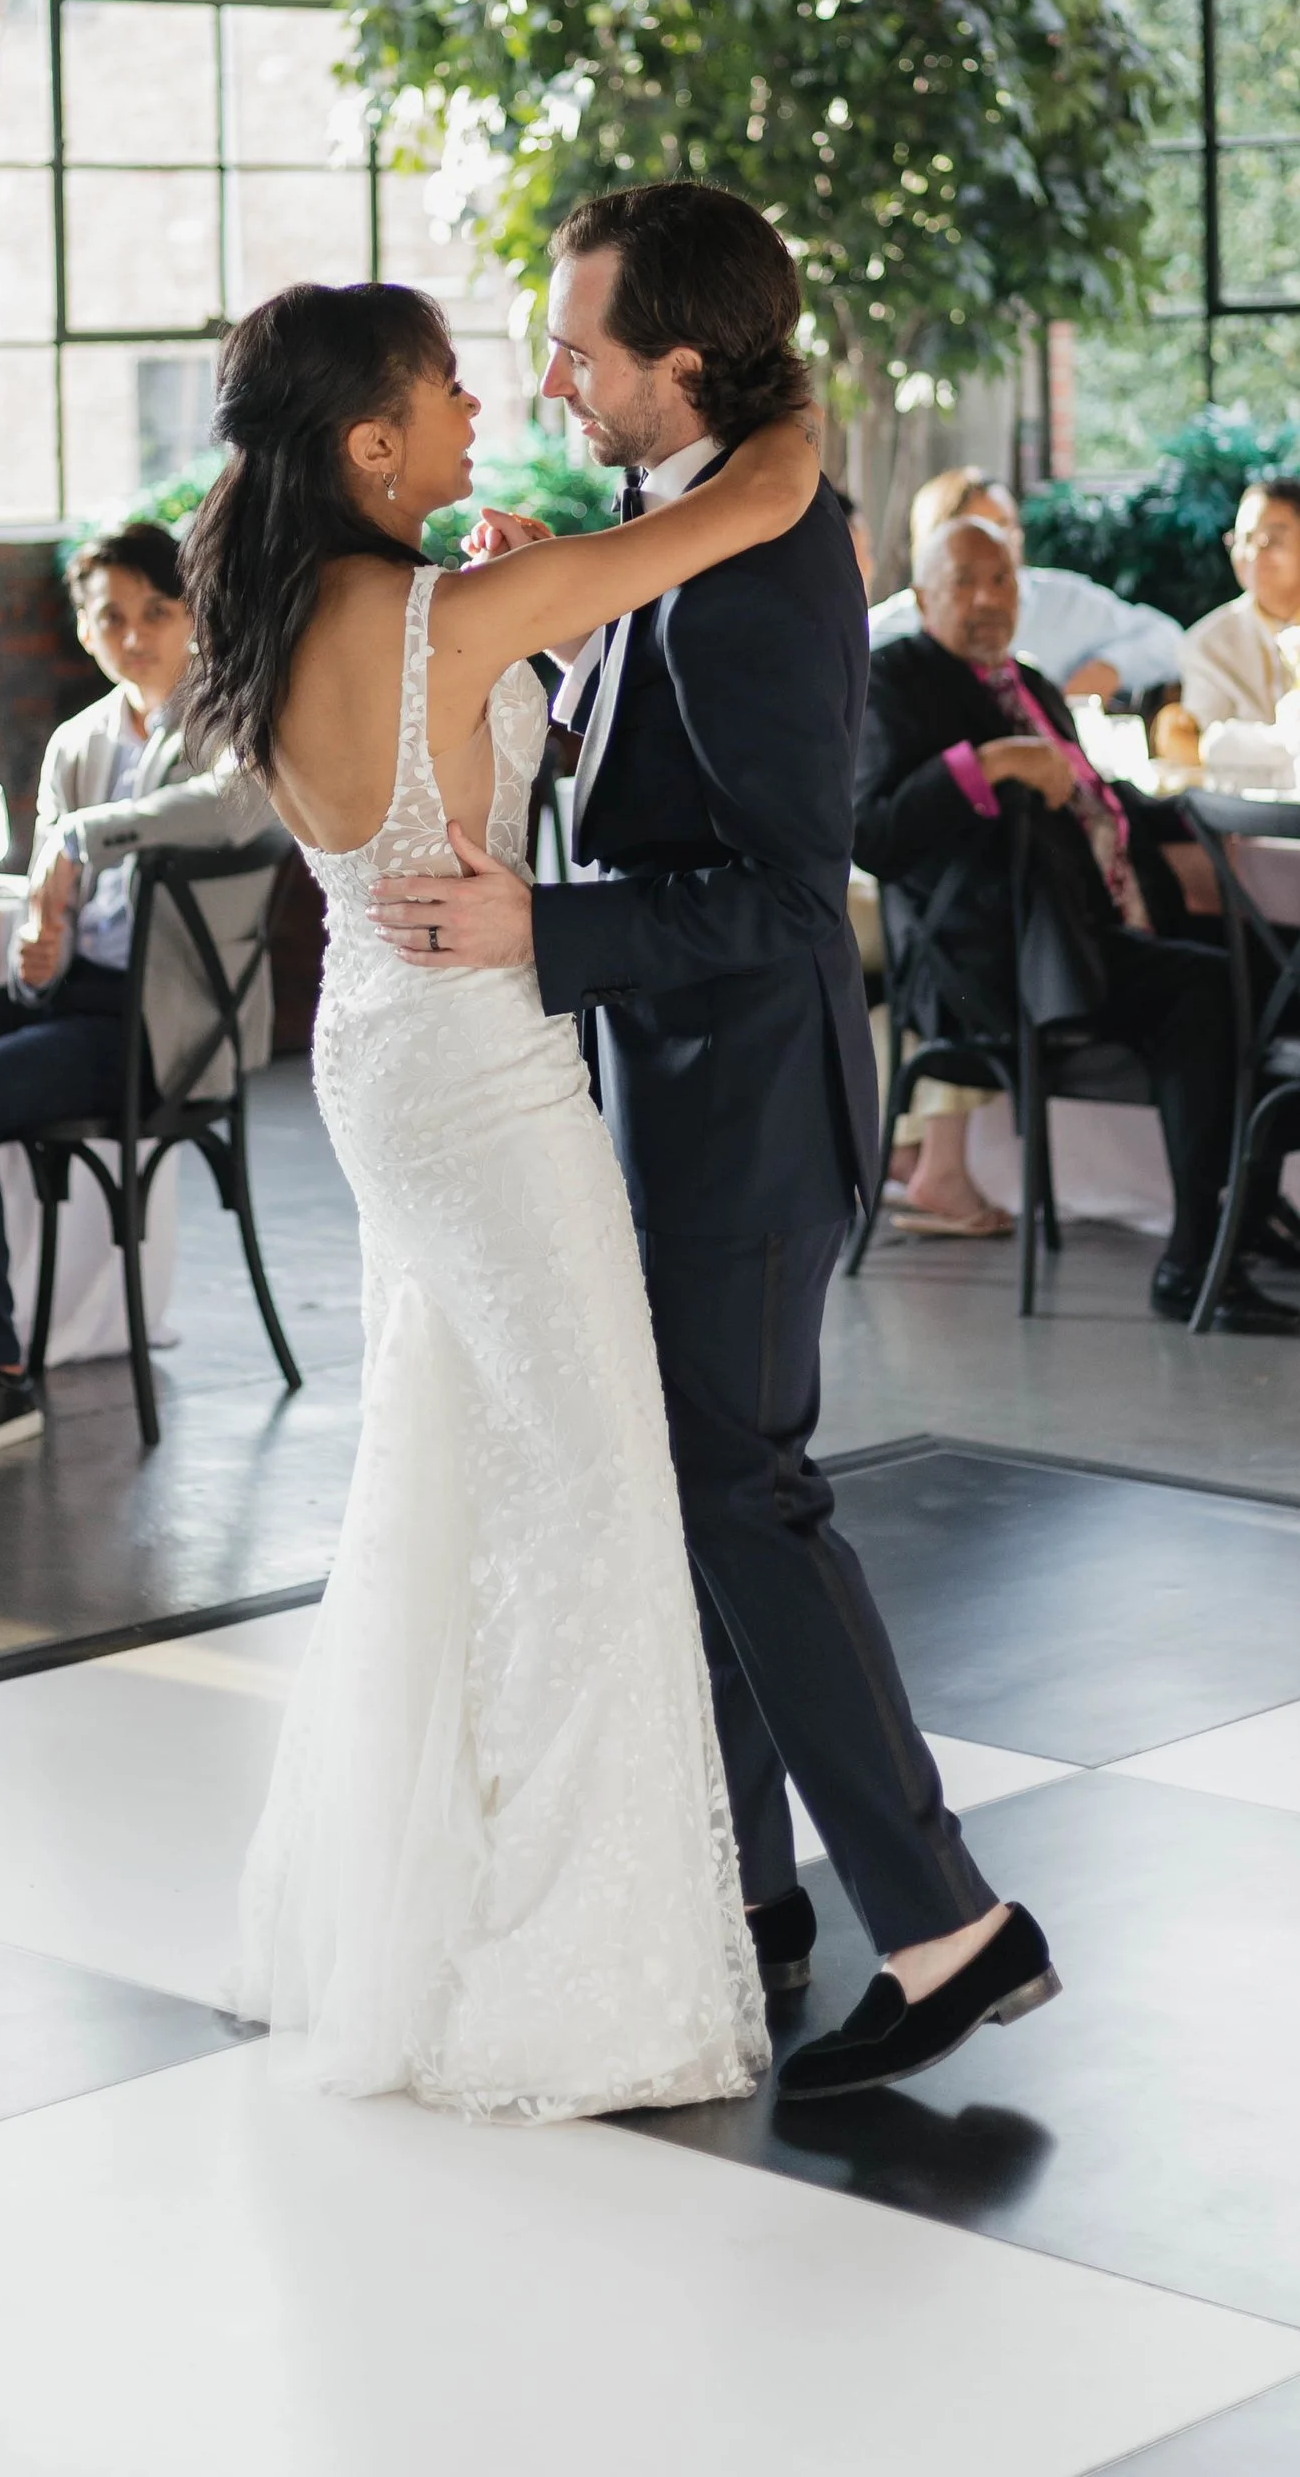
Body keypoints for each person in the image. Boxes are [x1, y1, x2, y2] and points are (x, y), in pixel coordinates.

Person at [365, 184, 1057, 2109]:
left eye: (579, 345)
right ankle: (745, 1895)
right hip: (678, 1099)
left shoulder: (759, 567)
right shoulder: (690, 525)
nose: (551, 374)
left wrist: (540, 931)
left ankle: (948, 1925)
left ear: (682, 361)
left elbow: (779, 897)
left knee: (746, 1496)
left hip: (748, 1110)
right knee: (696, 1500)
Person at [0, 520, 286, 1467]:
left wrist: (83, 838)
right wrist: (40, 941)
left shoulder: (233, 717)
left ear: (195, 613)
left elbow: (235, 810)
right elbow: (42, 894)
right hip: (69, 1002)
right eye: (111, 615)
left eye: (158, 609)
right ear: (83, 630)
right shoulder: (76, 742)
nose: (136, 632)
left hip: (163, 1026)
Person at [856, 514, 1300, 1333]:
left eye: (1002, 581)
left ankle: (1248, 1220)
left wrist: (1206, 813)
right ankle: (1193, 1259)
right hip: (986, 960)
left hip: (1077, 934)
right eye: (965, 581)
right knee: (1205, 993)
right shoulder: (891, 679)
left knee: (1277, 968)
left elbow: (1100, 798)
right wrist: (985, 766)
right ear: (923, 596)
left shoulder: (1026, 680)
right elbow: (871, 834)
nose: (988, 599)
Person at [868, 467, 1185, 702]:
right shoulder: (884, 635)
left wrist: (1108, 668)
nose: (998, 546)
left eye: (1006, 528)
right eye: (977, 532)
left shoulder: (1065, 602)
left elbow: (1168, 639)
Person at [1179, 477, 1300, 732]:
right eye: (1244, 539)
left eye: (1272, 541)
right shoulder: (1208, 644)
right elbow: (1209, 745)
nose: (1253, 554)